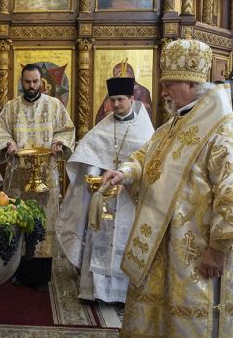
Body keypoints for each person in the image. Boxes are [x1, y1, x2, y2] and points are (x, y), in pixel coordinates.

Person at [102, 37, 233, 337]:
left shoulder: (227, 132)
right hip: (164, 248)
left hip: (201, 254)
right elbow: (145, 158)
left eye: (170, 83)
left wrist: (217, 251)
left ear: (192, 85)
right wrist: (124, 173)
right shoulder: (171, 126)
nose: (162, 90)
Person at [57, 76, 154, 304]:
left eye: (120, 99)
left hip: (130, 198)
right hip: (103, 195)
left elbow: (150, 164)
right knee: (99, 236)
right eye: (112, 100)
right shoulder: (104, 126)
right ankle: (95, 291)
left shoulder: (145, 130)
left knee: (124, 239)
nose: (116, 105)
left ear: (132, 98)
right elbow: (87, 154)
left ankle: (123, 293)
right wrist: (93, 176)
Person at [0, 63, 75, 291]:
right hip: (18, 177)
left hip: (46, 175)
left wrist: (59, 142)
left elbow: (67, 129)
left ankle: (41, 277)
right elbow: (1, 129)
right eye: (27, 82)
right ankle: (18, 272)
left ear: (42, 82)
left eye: (35, 82)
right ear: (22, 82)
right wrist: (8, 144)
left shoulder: (54, 106)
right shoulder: (11, 107)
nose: (31, 86)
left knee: (44, 221)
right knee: (19, 220)